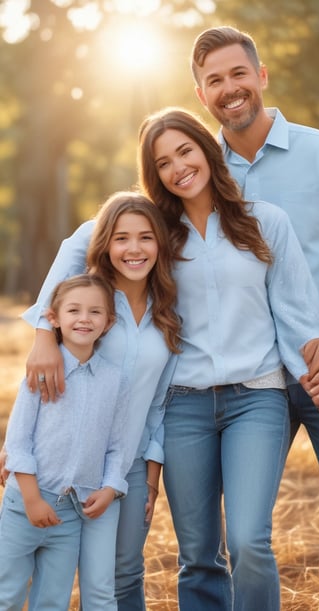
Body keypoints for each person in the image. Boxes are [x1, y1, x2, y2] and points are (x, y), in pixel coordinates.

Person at [137, 106, 319, 611]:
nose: (178, 167)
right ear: (156, 175)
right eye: (163, 162)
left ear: (207, 151)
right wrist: (44, 331)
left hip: (255, 401)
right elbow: (85, 247)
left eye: (185, 151)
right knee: (196, 554)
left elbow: (298, 317)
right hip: (182, 407)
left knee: (248, 543)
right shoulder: (155, 238)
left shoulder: (265, 222)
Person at [190, 25, 319, 611]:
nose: (230, 89)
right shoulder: (198, 175)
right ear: (201, 94)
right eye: (213, 80)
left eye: (238, 73)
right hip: (256, 385)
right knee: (241, 538)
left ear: (262, 76)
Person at [0, 192, 181, 610]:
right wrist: (22, 465)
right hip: (52, 474)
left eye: (145, 238)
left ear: (161, 244)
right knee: (24, 586)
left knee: (112, 578)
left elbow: (156, 406)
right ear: (105, 244)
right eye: (120, 238)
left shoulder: (167, 315)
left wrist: (148, 479)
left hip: (119, 472)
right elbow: (34, 402)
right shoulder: (90, 301)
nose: (133, 249)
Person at [0, 273, 129, 611]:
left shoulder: (114, 380)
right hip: (24, 504)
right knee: (6, 593)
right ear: (54, 318)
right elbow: (17, 443)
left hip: (72, 513)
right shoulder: (41, 370)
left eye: (95, 312)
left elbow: (117, 446)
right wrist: (31, 499)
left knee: (53, 600)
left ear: (109, 322)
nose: (84, 319)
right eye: (73, 310)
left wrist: (112, 486)